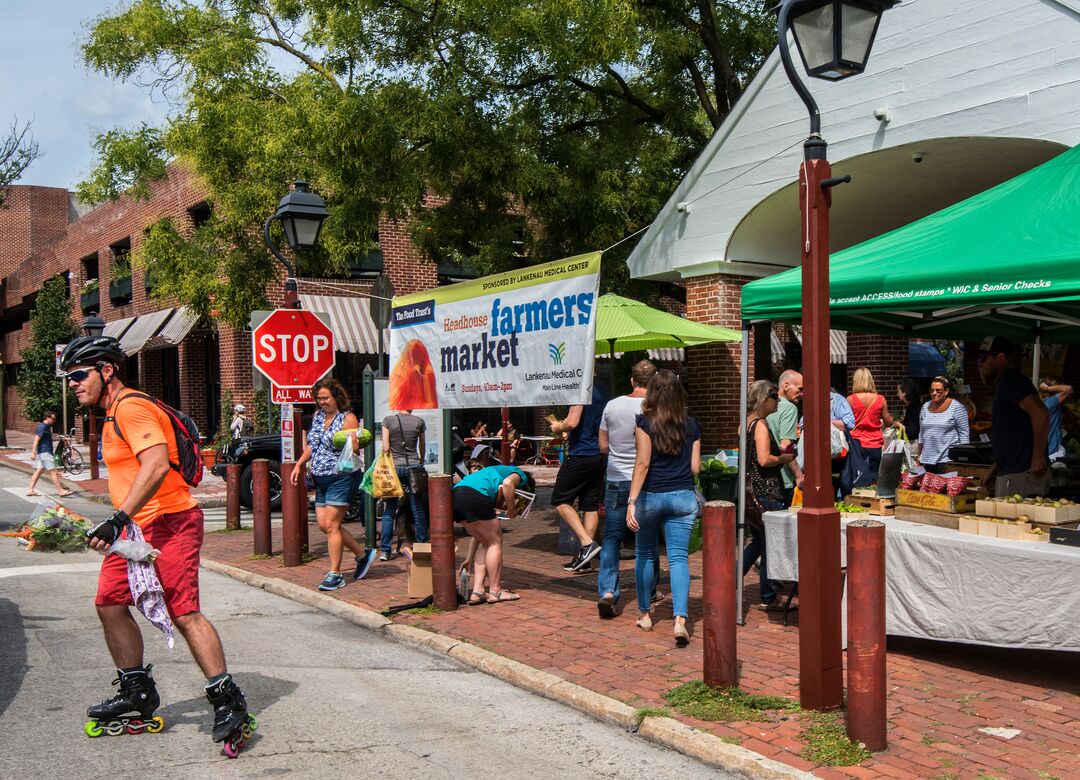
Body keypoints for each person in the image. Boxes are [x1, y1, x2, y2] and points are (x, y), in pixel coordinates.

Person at [61, 335, 251, 751]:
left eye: (78, 375)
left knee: (183, 610)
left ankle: (227, 699)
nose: (72, 383)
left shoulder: (131, 407)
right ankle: (136, 690)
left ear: (105, 371)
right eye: (69, 377)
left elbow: (156, 462)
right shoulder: (110, 415)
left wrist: (116, 519)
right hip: (134, 532)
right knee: (109, 602)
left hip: (170, 522)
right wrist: (118, 525)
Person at [626, 370, 701, 647]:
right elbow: (695, 468)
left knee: (644, 554)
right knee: (679, 559)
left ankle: (645, 614)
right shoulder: (691, 425)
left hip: (651, 496)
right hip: (682, 497)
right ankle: (680, 620)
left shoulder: (645, 423)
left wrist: (631, 502)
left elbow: (642, 464)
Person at [596, 359, 658, 619]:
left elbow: (602, 446)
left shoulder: (612, 405)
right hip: (644, 481)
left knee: (611, 536)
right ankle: (650, 590)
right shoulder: (654, 408)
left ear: (632, 380)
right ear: (653, 382)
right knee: (648, 538)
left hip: (614, 478)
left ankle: (608, 591)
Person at [292, 378, 368, 590]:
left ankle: (335, 574)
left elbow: (354, 449)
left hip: (341, 477)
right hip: (321, 478)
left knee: (332, 525)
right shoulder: (317, 417)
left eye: (325, 398)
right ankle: (362, 554)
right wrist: (299, 464)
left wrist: (354, 445)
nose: (322, 402)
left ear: (336, 397)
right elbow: (312, 446)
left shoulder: (348, 418)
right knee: (325, 526)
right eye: (319, 398)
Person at [743, 380, 796, 610]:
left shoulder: (746, 422)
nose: (778, 400)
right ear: (764, 399)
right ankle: (768, 596)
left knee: (757, 541)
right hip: (766, 490)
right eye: (775, 397)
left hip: (751, 490)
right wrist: (783, 459)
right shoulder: (761, 424)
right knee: (769, 544)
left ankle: (731, 579)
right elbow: (764, 459)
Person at [977, 336, 1051, 498]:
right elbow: (1015, 434)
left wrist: (1037, 457)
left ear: (1000, 358)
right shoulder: (1005, 383)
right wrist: (995, 468)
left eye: (983, 358)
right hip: (1012, 471)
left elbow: (1041, 414)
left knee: (1016, 522)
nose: (979, 363)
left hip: (1022, 474)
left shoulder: (1012, 382)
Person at [550, 379, 610, 572]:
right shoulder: (602, 387)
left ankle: (586, 544)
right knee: (589, 504)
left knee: (560, 499)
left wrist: (558, 427)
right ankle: (585, 559)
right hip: (599, 453)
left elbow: (573, 421)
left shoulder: (580, 387)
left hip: (581, 452)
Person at [452, 463, 534, 604]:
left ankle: (477, 592)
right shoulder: (520, 474)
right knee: (495, 542)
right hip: (476, 496)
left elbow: (478, 537)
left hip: (456, 497)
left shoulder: (490, 474)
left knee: (487, 542)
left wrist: (469, 559)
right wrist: (512, 508)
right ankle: (495, 591)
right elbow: (508, 484)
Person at [380, 408, 428, 560]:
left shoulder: (388, 420)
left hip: (394, 467)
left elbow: (386, 448)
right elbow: (422, 446)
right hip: (413, 466)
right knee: (417, 508)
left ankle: (385, 551)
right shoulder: (419, 422)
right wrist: (419, 460)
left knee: (390, 509)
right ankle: (421, 544)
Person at [847, 367, 895, 478]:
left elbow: (846, 422)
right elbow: (888, 422)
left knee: (857, 477)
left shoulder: (850, 399)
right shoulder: (880, 399)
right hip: (875, 443)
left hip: (856, 444)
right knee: (874, 477)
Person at [917, 376, 970, 473]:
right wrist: (919, 454)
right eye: (932, 390)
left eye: (938, 391)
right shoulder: (925, 407)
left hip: (947, 460)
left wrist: (962, 458)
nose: (934, 393)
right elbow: (922, 433)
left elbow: (964, 434)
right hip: (926, 460)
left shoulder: (957, 407)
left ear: (946, 391)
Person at [766, 370, 803, 504]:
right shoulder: (789, 408)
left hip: (762, 476)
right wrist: (798, 476)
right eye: (799, 389)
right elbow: (785, 446)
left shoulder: (763, 406)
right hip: (782, 478)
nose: (802, 393)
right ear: (786, 386)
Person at [27, 410, 73, 497]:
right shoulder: (42, 427)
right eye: (53, 419)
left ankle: (30, 490)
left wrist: (62, 439)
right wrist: (33, 452)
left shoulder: (46, 427)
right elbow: (36, 439)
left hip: (43, 453)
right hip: (45, 453)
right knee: (54, 472)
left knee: (39, 470)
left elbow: (49, 439)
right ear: (47, 418)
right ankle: (60, 491)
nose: (54, 421)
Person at [1039, 376, 1073, 462]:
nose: (1063, 386)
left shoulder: (1046, 402)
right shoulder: (1051, 402)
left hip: (1051, 448)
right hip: (1052, 452)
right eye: (1061, 385)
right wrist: (1048, 388)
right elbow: (1069, 389)